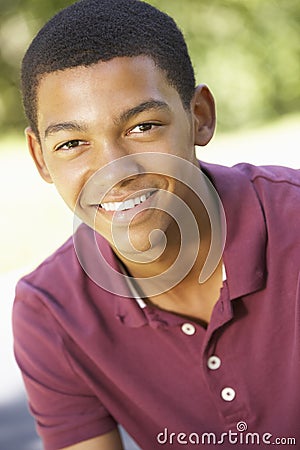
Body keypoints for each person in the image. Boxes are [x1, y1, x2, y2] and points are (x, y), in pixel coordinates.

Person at [13, 0, 300, 449]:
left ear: (199, 116)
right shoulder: (51, 312)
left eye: (143, 126)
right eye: (72, 143)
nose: (114, 170)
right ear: (40, 158)